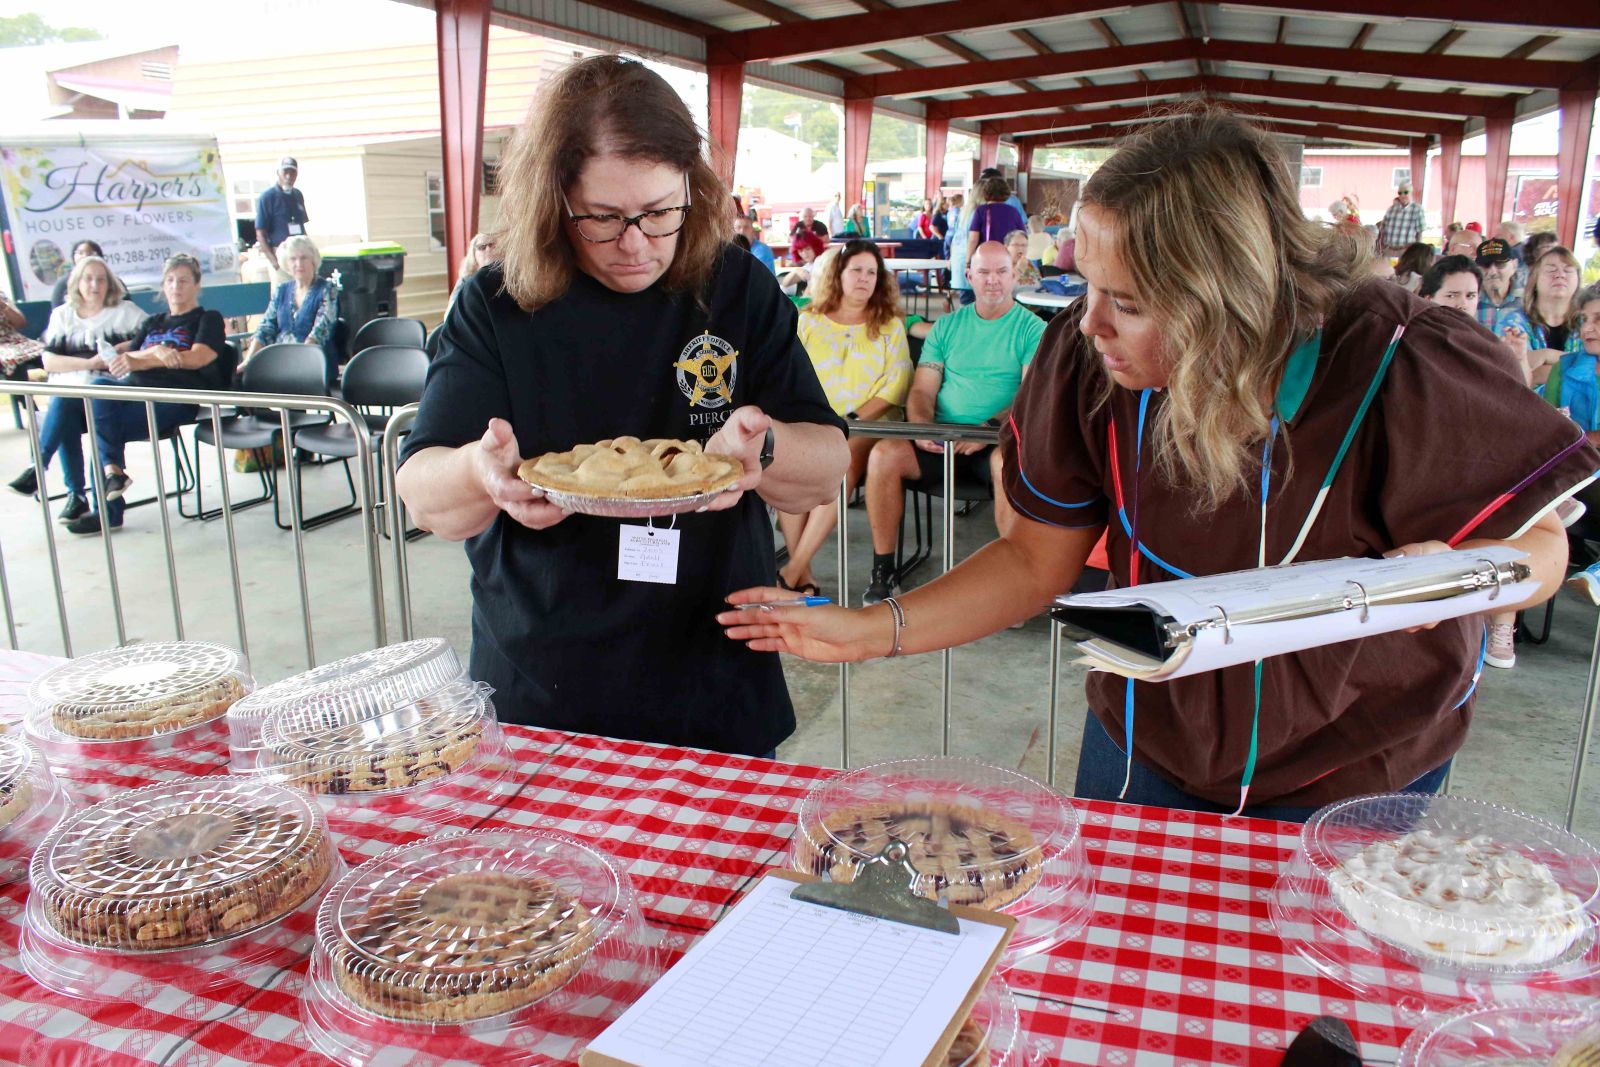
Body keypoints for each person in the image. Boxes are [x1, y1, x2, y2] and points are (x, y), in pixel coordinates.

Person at [720, 110, 1589, 821]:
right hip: (1146, 735)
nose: (1089, 324)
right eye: (1086, 284)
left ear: (1230, 301)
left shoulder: (1401, 358)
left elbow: (1542, 547)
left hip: (1358, 767)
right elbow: (1035, 558)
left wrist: (1460, 577)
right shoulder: (1090, 359)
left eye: (1127, 303)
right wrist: (868, 630)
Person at [393, 55, 848, 757]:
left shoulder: (736, 288)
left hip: (713, 675)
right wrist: (481, 474)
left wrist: (761, 452)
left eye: (661, 212)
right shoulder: (497, 303)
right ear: (554, 200)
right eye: (603, 218)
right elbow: (422, 496)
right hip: (542, 688)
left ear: (692, 188)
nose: (636, 243)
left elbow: (826, 468)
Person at [857, 241, 1045, 605]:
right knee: (884, 454)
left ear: (1013, 277)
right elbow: (923, 391)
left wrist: (988, 430)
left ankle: (1015, 583)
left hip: (995, 440)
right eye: (984, 273)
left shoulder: (1031, 329)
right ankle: (883, 571)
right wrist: (925, 429)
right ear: (969, 276)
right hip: (940, 440)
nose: (993, 281)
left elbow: (1029, 396)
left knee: (1006, 462)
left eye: (1001, 272)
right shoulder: (947, 328)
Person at [60, 254, 232, 535]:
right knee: (99, 401)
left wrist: (150, 358)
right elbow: (128, 356)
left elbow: (197, 358)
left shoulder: (207, 319)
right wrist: (155, 352)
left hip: (175, 397)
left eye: (184, 281)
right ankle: (111, 479)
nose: (176, 286)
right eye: (170, 280)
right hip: (134, 393)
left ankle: (109, 504)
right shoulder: (153, 322)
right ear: (163, 286)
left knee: (101, 422)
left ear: (197, 286)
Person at [778, 239, 912, 595]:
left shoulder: (889, 325)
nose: (864, 278)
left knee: (843, 460)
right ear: (839, 273)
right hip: (811, 421)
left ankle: (789, 572)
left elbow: (896, 384)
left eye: (872, 272)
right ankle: (802, 573)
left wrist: (846, 422)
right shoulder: (808, 320)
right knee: (789, 468)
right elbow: (789, 373)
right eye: (857, 270)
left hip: (869, 425)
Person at [8, 256, 146, 523]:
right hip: (72, 394)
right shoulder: (63, 314)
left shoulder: (125, 311)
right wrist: (88, 363)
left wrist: (121, 348)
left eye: (101, 278)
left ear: (110, 283)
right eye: (88, 278)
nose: (94, 284)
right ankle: (84, 499)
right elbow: (48, 361)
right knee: (65, 405)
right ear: (76, 283)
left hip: (109, 395)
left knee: (73, 405)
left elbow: (151, 336)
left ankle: (42, 471)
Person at [244, 234, 340, 382]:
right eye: (293, 259)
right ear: (287, 264)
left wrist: (295, 364)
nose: (298, 264)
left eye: (303, 258)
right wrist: (248, 362)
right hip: (281, 362)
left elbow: (320, 332)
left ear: (313, 261)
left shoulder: (327, 289)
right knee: (243, 378)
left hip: (315, 363)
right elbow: (265, 328)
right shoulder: (282, 290)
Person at [1559, 283, 1600, 602]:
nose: (1588, 328)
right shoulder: (1566, 368)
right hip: (1578, 481)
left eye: (1598, 319)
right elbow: (1553, 430)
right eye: (1584, 319)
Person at [1523, 247, 1586, 389]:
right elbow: (1517, 374)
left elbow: (1595, 369)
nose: (1560, 275)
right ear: (1535, 280)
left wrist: (1547, 355)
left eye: (1568, 270)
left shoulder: (1589, 321)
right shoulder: (1513, 322)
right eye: (1551, 270)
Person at [1475, 238, 1524, 336]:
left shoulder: (1528, 300)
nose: (1492, 272)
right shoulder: (1469, 299)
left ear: (1514, 265)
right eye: (1485, 265)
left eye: (1500, 264)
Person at [968, 175, 1026, 251]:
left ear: (985, 192)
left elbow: (973, 239)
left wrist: (968, 260)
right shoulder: (1013, 211)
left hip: (986, 254)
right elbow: (1022, 235)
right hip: (1007, 255)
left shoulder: (981, 210)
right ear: (1006, 192)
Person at [50, 240, 108, 308]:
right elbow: (56, 310)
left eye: (91, 253)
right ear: (73, 257)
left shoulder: (112, 281)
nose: (85, 256)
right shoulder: (63, 283)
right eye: (80, 253)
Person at [1377, 184, 1424, 255]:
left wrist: (1416, 251)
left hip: (1406, 251)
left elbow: (1420, 232)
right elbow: (1382, 229)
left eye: (1405, 192)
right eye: (1400, 193)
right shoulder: (1391, 209)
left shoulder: (1417, 209)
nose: (1402, 195)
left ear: (1411, 192)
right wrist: (1382, 247)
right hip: (1389, 250)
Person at [779, 228, 828, 296]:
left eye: (807, 249)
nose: (804, 254)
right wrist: (796, 271)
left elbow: (812, 289)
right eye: (800, 251)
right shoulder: (809, 265)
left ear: (815, 246)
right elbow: (785, 284)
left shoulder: (822, 261)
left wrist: (802, 301)